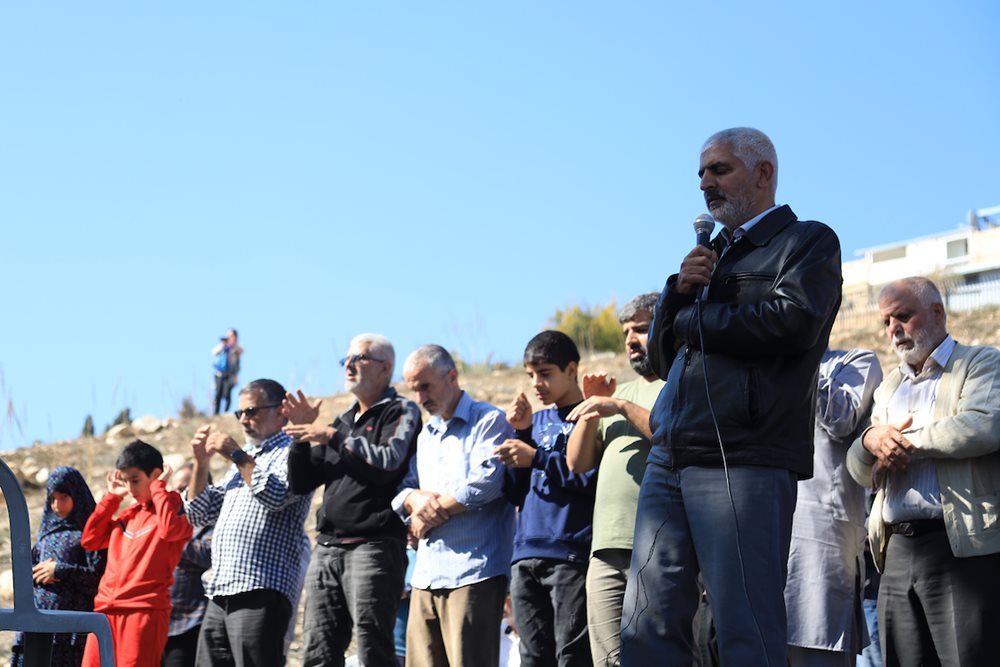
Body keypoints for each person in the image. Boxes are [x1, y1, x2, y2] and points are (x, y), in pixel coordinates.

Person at [621, 127, 842, 665]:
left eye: (719, 169)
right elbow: (658, 361)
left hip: (746, 456)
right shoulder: (704, 259)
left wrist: (697, 316)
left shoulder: (807, 242)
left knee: (745, 625)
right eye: (700, 173)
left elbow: (792, 322)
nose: (705, 183)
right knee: (645, 624)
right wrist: (676, 294)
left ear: (764, 173)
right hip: (671, 454)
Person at [846, 277, 1000, 666]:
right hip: (896, 552)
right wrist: (869, 442)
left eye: (903, 316)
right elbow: (858, 467)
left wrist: (902, 444)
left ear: (936, 312)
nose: (894, 329)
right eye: (886, 321)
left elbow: (982, 427)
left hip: (958, 546)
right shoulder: (889, 387)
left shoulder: (982, 362)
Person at [284, 333, 421, 667]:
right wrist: (301, 435)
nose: (348, 365)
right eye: (345, 359)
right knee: (318, 653)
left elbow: (387, 462)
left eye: (358, 358)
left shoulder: (400, 410)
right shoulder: (343, 420)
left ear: (385, 368)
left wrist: (333, 437)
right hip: (328, 548)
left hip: (373, 548)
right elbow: (301, 482)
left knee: (374, 649)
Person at [391, 345, 515, 667]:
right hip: (426, 574)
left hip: (473, 571)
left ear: (452, 376)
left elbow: (486, 482)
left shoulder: (488, 420)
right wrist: (414, 500)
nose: (419, 397)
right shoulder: (426, 434)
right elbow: (405, 489)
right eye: (413, 389)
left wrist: (428, 516)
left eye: (425, 386)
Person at [564, 293, 665, 667]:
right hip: (605, 547)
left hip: (658, 544)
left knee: (657, 654)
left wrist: (619, 407)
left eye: (640, 329)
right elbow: (577, 462)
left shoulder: (679, 383)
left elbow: (669, 436)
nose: (630, 340)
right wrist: (593, 407)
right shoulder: (615, 393)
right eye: (625, 332)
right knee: (607, 659)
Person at [185, 378, 312, 667]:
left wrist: (235, 454)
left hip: (261, 588)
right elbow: (199, 513)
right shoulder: (246, 459)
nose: (244, 420)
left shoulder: (291, 451)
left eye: (252, 411)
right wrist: (202, 464)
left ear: (281, 411)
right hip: (221, 590)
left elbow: (277, 495)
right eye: (239, 414)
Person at [494, 330, 596, 667]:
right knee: (532, 656)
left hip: (570, 554)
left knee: (571, 654)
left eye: (546, 373)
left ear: (571, 369)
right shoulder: (533, 422)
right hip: (524, 555)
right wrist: (521, 433)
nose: (537, 384)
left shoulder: (592, 415)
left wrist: (535, 456)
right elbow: (514, 492)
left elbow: (585, 478)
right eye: (530, 376)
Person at [785, 349, 882, 667]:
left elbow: (841, 419)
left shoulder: (855, 362)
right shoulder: (760, 366)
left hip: (820, 558)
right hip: (763, 546)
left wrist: (802, 357)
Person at [80, 441, 193, 667]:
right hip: (105, 611)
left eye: (135, 480)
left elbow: (171, 530)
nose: (131, 488)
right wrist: (112, 498)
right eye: (126, 481)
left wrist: (160, 488)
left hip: (144, 612)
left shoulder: (173, 507)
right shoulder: (128, 514)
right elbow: (90, 540)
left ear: (156, 475)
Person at [9, 467, 106, 667]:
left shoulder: (91, 534)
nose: (57, 505)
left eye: (63, 497)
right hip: (34, 628)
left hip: (69, 635)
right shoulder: (45, 535)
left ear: (77, 495)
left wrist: (60, 570)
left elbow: (98, 578)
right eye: (52, 498)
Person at [162, 463, 213, 667]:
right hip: (161, 622)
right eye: (175, 489)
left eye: (185, 488)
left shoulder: (212, 521)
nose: (179, 495)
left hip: (191, 623)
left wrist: (177, 538)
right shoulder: (170, 521)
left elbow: (210, 554)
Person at [212, 329, 243, 416]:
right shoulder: (223, 346)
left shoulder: (236, 347)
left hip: (230, 375)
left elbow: (241, 351)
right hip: (219, 373)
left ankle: (225, 412)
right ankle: (216, 413)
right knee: (218, 394)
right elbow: (213, 352)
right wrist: (223, 345)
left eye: (231, 335)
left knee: (227, 393)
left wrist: (233, 346)